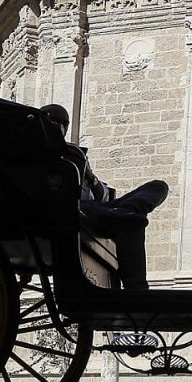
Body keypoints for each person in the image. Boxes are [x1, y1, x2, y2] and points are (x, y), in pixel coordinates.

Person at [39, 104, 168, 290]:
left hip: (96, 208)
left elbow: (103, 196)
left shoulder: (74, 152)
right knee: (130, 220)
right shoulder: (34, 152)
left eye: (64, 123)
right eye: (54, 120)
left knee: (158, 186)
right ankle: (137, 290)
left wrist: (89, 176)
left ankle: (128, 210)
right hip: (70, 208)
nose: (60, 126)